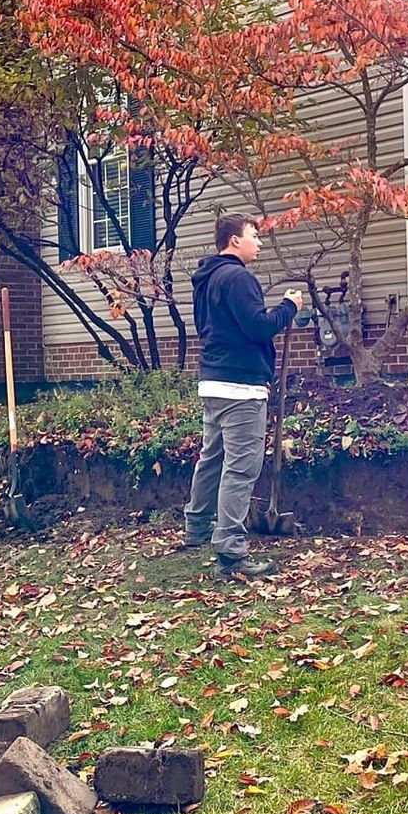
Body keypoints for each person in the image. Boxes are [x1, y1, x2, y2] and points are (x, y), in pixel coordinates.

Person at [184, 215, 302, 578]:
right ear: (234, 241)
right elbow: (257, 327)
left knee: (212, 458)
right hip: (240, 389)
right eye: (254, 236)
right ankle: (231, 551)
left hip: (214, 382)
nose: (260, 243)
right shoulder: (238, 278)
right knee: (240, 468)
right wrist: (289, 307)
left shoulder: (207, 279)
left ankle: (197, 527)